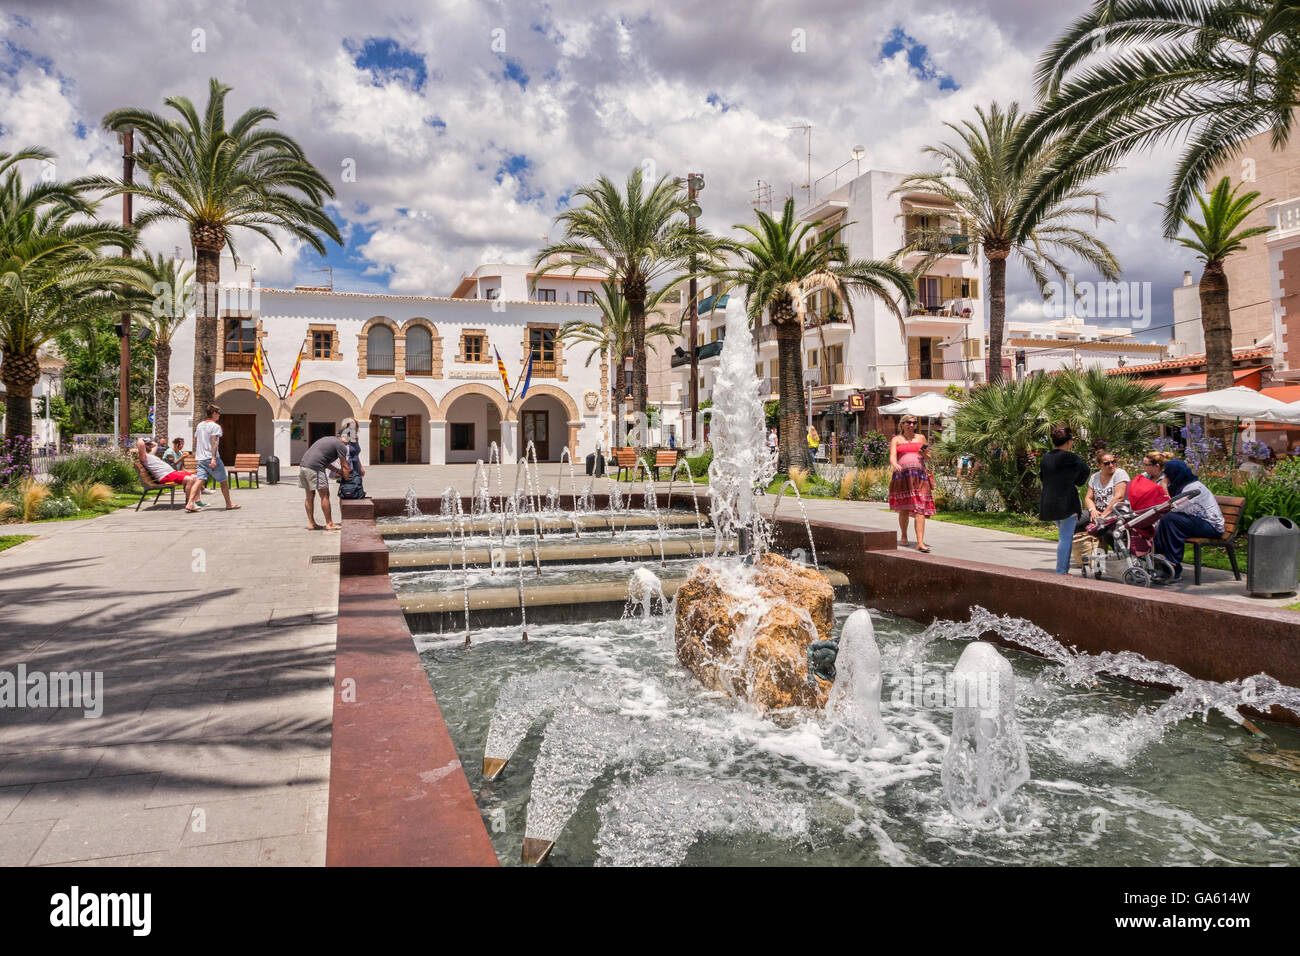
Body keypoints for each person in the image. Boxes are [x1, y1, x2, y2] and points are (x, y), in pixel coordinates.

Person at [1153, 459, 1225, 584]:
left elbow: (1172, 507)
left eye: (1167, 474)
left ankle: (1174, 567)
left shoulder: (1194, 488)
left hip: (1211, 526)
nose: (1165, 477)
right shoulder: (1179, 485)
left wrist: (1163, 487)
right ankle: (1162, 562)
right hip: (1193, 521)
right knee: (1161, 522)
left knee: (1169, 520)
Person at [1039, 424, 1089, 574]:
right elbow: (1085, 470)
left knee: (1063, 536)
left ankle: (1062, 569)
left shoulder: (1046, 457)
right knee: (1065, 538)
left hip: (1049, 502)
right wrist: (1076, 481)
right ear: (1069, 442)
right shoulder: (1071, 457)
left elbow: (1043, 477)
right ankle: (1061, 571)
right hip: (1067, 503)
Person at [888, 415, 935, 552]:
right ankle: (903, 536)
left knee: (920, 507)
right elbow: (892, 456)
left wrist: (924, 454)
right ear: (902, 424)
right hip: (903, 476)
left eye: (914, 423)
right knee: (904, 507)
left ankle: (920, 542)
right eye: (908, 422)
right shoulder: (896, 439)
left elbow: (928, 457)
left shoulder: (921, 438)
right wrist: (895, 463)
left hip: (919, 476)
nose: (911, 425)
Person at [186, 404, 240, 513]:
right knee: (223, 481)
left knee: (199, 480)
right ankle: (229, 504)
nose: (219, 416)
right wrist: (214, 458)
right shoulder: (215, 426)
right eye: (219, 413)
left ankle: (190, 503)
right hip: (211, 458)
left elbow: (195, 440)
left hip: (201, 458)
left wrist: (199, 452)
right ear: (214, 413)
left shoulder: (200, 425)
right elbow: (214, 441)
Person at [299, 425, 353, 530]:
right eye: (350, 439)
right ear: (344, 436)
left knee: (309, 496)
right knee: (325, 495)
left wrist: (337, 471)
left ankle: (311, 524)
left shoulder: (328, 439)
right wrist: (348, 479)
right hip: (315, 468)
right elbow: (345, 465)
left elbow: (325, 461)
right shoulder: (341, 445)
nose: (350, 442)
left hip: (304, 466)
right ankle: (329, 524)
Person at [136, 437, 200, 500]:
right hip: (165, 476)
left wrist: (149, 442)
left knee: (195, 477)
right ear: (144, 446)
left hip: (171, 473)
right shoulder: (143, 457)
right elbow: (140, 444)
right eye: (148, 445)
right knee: (190, 479)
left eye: (150, 444)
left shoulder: (150, 454)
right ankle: (190, 503)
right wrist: (140, 438)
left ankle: (197, 501)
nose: (151, 446)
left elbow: (155, 445)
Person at [1085, 451, 1130, 524]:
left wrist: (1103, 516)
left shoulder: (1120, 473)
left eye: (1113, 462)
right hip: (1098, 511)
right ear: (1099, 465)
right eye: (1107, 463)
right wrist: (1092, 510)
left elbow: (1119, 497)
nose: (1111, 465)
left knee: (1106, 532)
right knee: (1077, 520)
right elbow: (1088, 498)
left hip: (1116, 512)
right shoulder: (1094, 477)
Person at [335, 418, 366, 500]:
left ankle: (356, 511)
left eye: (355, 426)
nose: (354, 428)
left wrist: (361, 466)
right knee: (346, 490)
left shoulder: (355, 437)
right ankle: (345, 511)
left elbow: (356, 453)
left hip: (356, 467)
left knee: (357, 488)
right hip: (348, 467)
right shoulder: (341, 438)